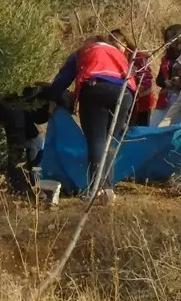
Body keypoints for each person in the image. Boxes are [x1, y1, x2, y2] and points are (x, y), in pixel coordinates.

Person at [49, 34, 137, 201]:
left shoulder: (85, 50)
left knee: (97, 140)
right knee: (110, 141)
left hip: (96, 88)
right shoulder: (119, 53)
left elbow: (64, 78)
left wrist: (53, 98)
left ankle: (96, 191)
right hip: (125, 93)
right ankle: (108, 189)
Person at [151, 25, 181, 127]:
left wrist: (180, 81)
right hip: (165, 98)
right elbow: (159, 80)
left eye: (172, 38)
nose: (169, 41)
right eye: (167, 38)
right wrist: (165, 82)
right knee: (158, 127)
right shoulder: (166, 58)